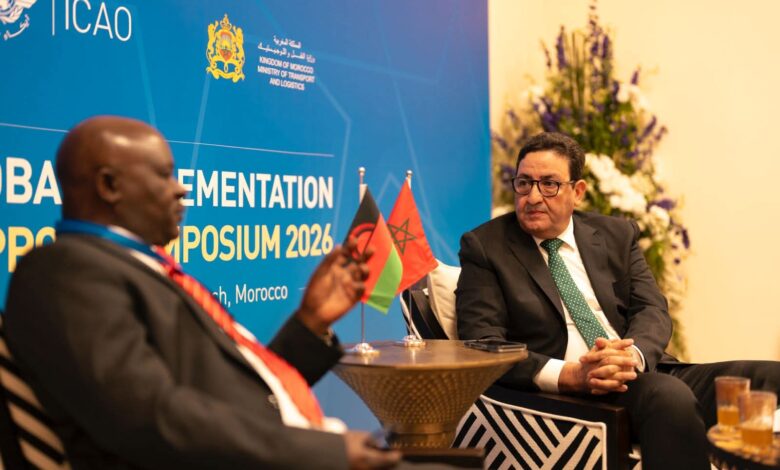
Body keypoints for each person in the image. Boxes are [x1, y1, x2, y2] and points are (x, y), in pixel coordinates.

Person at [4, 116, 403, 469]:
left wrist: (310, 323)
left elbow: (234, 395)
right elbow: (146, 417)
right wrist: (323, 454)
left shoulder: (142, 264)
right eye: (164, 175)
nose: (180, 189)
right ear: (109, 185)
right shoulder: (66, 270)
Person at [456, 131, 780, 470]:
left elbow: (651, 308)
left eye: (549, 184)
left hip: (639, 369)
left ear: (577, 192)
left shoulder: (616, 234)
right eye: (524, 183)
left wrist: (630, 357)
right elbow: (483, 343)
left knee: (770, 380)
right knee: (668, 397)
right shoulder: (486, 247)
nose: (533, 196)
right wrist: (571, 375)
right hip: (567, 391)